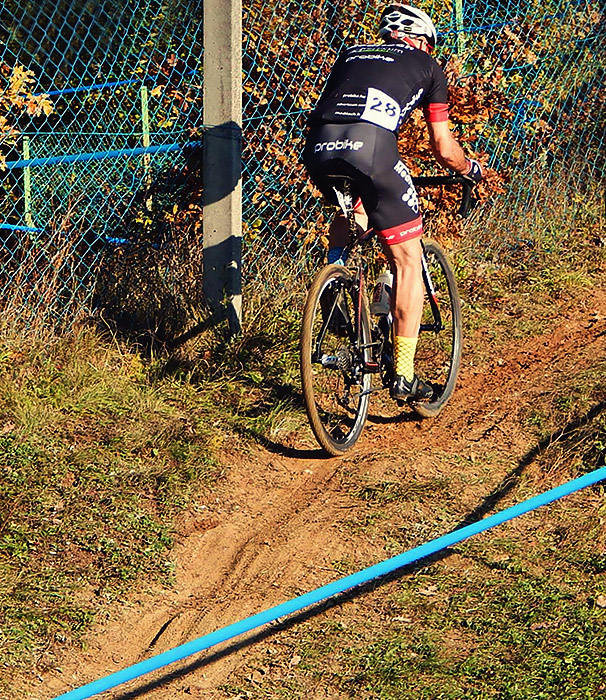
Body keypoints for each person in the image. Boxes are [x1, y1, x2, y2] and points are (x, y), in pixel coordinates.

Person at [303, 3, 483, 401]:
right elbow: (443, 148)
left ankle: (336, 271)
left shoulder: (351, 52)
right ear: (421, 40)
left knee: (354, 211)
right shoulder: (428, 65)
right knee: (406, 259)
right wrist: (469, 169)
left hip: (318, 147)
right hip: (372, 150)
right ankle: (403, 375)